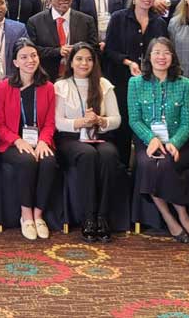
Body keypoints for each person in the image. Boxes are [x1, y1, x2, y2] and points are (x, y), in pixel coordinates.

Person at [128, 37, 189, 244]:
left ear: (173, 57)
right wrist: (151, 139)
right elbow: (134, 120)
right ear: (149, 57)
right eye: (157, 52)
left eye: (166, 53)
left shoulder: (184, 84)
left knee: (166, 163)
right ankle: (172, 217)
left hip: (177, 141)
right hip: (147, 141)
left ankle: (182, 216)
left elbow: (188, 122)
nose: (161, 57)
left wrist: (174, 143)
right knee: (149, 164)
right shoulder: (135, 83)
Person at [53, 43, 122, 242]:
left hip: (98, 135)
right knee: (88, 155)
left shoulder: (103, 84)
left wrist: (101, 121)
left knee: (109, 155)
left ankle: (103, 216)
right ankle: (88, 217)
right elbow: (57, 122)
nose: (84, 63)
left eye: (89, 59)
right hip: (71, 138)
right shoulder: (61, 85)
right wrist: (80, 122)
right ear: (71, 62)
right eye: (80, 59)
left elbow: (116, 119)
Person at [0, 39, 57, 240]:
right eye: (24, 57)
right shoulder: (4, 87)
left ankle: (39, 215)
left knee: (48, 161)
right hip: (12, 143)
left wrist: (44, 141)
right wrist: (17, 141)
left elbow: (50, 122)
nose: (30, 60)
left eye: (33, 56)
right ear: (15, 62)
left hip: (41, 141)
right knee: (27, 161)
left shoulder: (47, 87)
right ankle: (26, 214)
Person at [102, 0, 169, 166]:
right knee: (123, 128)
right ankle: (121, 170)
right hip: (122, 81)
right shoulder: (119, 18)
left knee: (147, 126)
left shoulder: (159, 23)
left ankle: (146, 173)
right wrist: (128, 62)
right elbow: (109, 50)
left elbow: (165, 51)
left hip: (151, 83)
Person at [26, 0, 99, 78]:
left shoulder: (86, 20)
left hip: (78, 76)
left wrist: (78, 50)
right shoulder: (35, 22)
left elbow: (94, 48)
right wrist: (57, 51)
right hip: (46, 76)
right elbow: (32, 51)